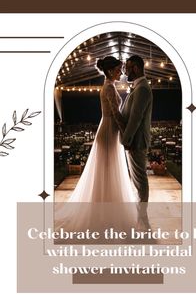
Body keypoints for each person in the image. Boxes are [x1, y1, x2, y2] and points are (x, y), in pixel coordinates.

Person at [55, 56, 137, 238]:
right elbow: (115, 114)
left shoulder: (110, 85)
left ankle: (107, 210)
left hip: (109, 131)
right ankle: (104, 214)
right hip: (108, 132)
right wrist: (127, 133)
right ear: (109, 71)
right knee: (107, 171)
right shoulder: (108, 87)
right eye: (117, 70)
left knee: (108, 171)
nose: (120, 72)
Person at [121, 55, 153, 229]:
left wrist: (127, 140)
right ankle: (141, 214)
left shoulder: (142, 89)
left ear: (137, 68)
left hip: (136, 141)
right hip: (134, 141)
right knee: (137, 180)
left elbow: (136, 118)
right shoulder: (138, 87)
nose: (125, 71)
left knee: (140, 180)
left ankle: (142, 216)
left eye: (128, 67)